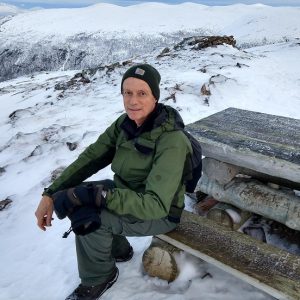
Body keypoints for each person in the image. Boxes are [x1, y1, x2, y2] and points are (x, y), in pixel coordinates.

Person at [35, 63, 193, 300]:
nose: (133, 101)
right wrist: (51, 193)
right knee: (75, 198)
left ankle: (99, 277)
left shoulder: (172, 140)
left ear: (155, 97)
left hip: (161, 213)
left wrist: (102, 196)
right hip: (127, 194)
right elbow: (91, 157)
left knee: (89, 218)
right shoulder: (124, 125)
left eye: (142, 93)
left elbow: (156, 205)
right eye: (127, 92)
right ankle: (119, 250)